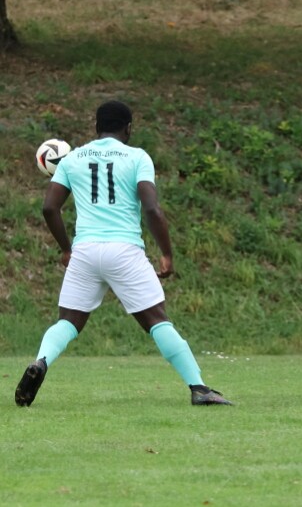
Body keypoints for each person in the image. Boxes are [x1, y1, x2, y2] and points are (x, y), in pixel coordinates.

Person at [15, 100, 232, 407]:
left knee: (68, 321)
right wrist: (167, 254)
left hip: (85, 251)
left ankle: (41, 361)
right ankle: (199, 387)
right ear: (128, 128)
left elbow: (50, 208)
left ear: (96, 127)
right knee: (157, 321)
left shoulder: (72, 159)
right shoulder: (137, 157)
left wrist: (66, 248)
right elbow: (152, 209)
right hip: (124, 251)